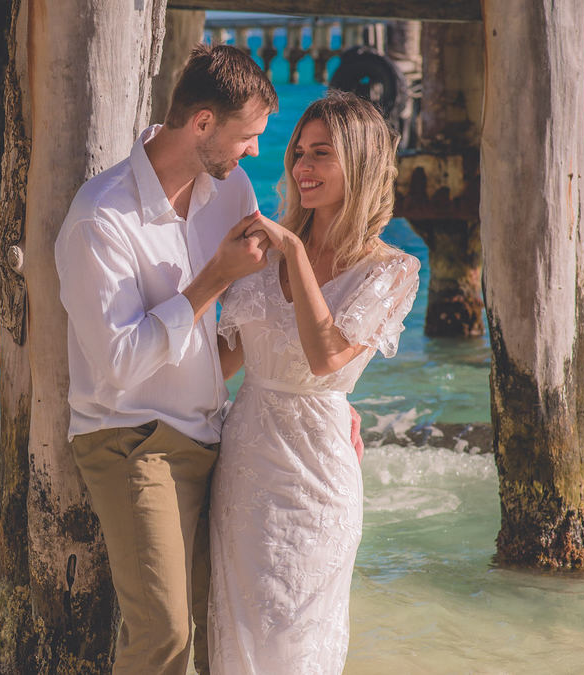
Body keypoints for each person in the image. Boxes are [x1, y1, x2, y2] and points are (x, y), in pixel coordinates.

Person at [54, 44, 276, 675]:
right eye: (248, 136)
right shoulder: (101, 217)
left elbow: (259, 309)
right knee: (164, 636)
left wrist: (320, 395)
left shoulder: (231, 191)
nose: (254, 152)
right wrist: (212, 279)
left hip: (214, 434)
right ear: (203, 123)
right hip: (132, 438)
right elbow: (119, 364)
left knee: (221, 629)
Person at [207, 90, 420, 674]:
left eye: (321, 153)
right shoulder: (263, 257)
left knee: (296, 637)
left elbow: (326, 357)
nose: (302, 166)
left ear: (361, 162)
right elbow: (220, 364)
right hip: (244, 461)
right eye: (299, 152)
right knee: (237, 632)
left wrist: (296, 250)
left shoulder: (391, 271)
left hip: (317, 476)